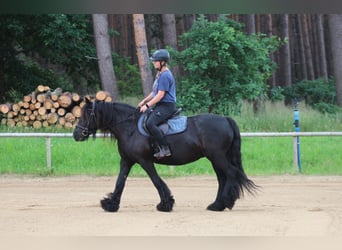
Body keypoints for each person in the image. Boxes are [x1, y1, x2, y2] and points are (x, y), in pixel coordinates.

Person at [138, 49, 177, 159]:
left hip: (167, 106)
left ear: (163, 62)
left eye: (156, 61)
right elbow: (154, 92)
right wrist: (144, 101)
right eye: (154, 61)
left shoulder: (165, 75)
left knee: (150, 123)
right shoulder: (159, 74)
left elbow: (160, 95)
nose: (154, 63)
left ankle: (165, 148)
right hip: (160, 105)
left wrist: (147, 106)